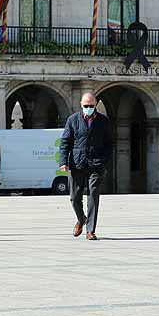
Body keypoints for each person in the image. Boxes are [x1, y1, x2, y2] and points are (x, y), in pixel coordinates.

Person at [58, 92, 112, 240]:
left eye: (91, 106)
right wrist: (63, 161)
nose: (89, 108)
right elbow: (65, 143)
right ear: (81, 105)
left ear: (96, 105)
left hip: (96, 164)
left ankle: (90, 231)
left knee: (93, 196)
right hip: (77, 163)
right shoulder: (73, 120)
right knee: (74, 197)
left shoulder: (103, 121)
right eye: (86, 106)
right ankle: (81, 219)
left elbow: (109, 143)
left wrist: (103, 161)